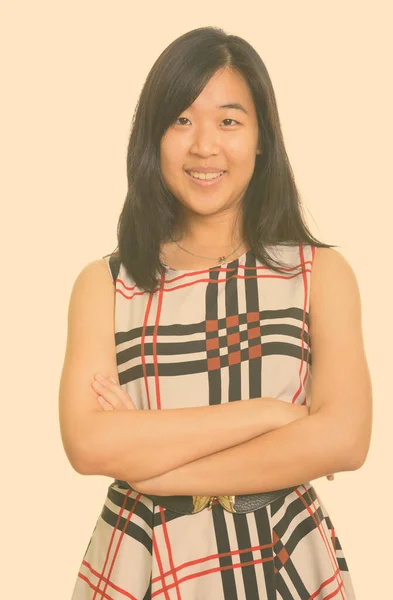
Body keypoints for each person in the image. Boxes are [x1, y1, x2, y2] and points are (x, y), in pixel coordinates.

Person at [59, 26, 372, 600]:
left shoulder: (318, 275)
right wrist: (269, 415)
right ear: (152, 139)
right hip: (141, 558)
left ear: (261, 138)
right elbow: (88, 443)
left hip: (279, 554)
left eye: (229, 120)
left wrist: (154, 469)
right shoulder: (104, 285)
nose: (204, 145)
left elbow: (345, 438)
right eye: (181, 120)